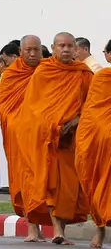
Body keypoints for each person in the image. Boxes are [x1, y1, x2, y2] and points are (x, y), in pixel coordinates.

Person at [19, 32, 95, 244]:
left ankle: (61, 230)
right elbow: (34, 109)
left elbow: (93, 104)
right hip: (49, 140)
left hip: (72, 141)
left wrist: (78, 120)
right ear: (52, 48)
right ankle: (57, 231)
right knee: (51, 184)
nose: (66, 49)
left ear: (76, 49)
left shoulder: (83, 72)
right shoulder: (43, 72)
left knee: (67, 188)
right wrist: (52, 128)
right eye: (61, 45)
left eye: (70, 46)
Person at [1, 35, 50, 240]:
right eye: (28, 50)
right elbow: (5, 108)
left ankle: (56, 229)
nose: (32, 54)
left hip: (44, 135)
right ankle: (32, 228)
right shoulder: (12, 74)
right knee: (25, 180)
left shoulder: (51, 70)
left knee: (46, 181)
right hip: (20, 135)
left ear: (42, 50)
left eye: (36, 50)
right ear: (20, 52)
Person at [76, 39, 111, 249]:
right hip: (102, 143)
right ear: (108, 56)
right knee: (98, 184)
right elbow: (93, 114)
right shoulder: (102, 78)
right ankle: (100, 230)